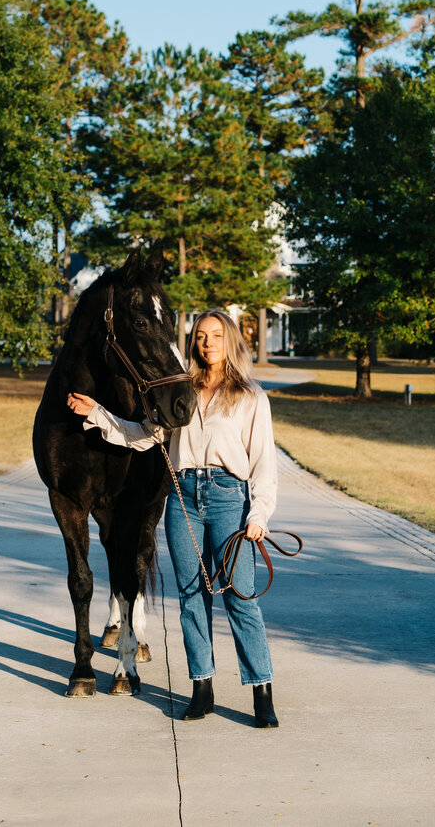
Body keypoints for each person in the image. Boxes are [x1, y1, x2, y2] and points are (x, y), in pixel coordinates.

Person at [66, 308, 280, 729]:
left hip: (228, 498)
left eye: (216, 336)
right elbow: (144, 435)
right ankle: (202, 689)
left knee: (240, 596)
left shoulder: (252, 396)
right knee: (190, 597)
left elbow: (264, 466)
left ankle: (261, 692)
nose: (207, 343)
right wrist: (97, 414)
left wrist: (259, 516)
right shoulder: (179, 393)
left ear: (230, 341)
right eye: (201, 336)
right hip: (183, 498)